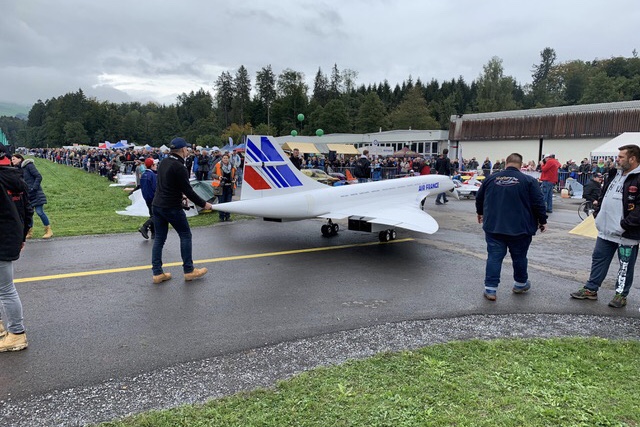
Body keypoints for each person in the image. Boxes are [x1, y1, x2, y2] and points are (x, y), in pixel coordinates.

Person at [570, 145, 640, 308]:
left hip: (627, 234)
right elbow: (603, 195)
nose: (617, 159)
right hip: (605, 230)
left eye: (621, 157)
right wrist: (598, 212)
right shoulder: (614, 174)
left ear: (633, 159)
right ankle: (591, 289)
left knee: (625, 266)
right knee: (598, 260)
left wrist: (625, 225)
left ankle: (621, 294)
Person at [475, 153, 548, 301]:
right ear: (520, 165)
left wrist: (480, 212)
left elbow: (479, 198)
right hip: (520, 227)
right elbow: (538, 203)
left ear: (506, 163)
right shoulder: (529, 181)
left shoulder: (490, 179)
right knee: (520, 257)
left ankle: (491, 289)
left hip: (495, 226)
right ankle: (520, 284)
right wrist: (542, 220)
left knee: (494, 257)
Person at [151, 138, 214, 284]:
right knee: (185, 235)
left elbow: (168, 183)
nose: (188, 151)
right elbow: (189, 190)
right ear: (183, 150)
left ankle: (157, 273)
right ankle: (189, 270)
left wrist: (180, 193)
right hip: (171, 207)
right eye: (187, 149)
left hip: (157, 205)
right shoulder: (179, 166)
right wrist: (204, 204)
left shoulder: (163, 162)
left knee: (159, 239)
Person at [0, 145, 33, 352]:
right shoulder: (16, 178)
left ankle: (17, 334)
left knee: (6, 289)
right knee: (4, 288)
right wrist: (22, 236)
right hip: (11, 237)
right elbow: (27, 211)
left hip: (3, 238)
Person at [11, 153, 53, 239]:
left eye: (14, 159)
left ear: (20, 159)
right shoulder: (17, 170)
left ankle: (48, 230)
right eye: (12, 159)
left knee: (39, 212)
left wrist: (34, 188)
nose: (12, 161)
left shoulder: (28, 166)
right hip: (27, 195)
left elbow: (38, 177)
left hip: (36, 193)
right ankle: (29, 232)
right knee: (29, 214)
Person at [212, 153, 237, 222]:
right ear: (222, 159)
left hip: (230, 186)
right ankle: (221, 217)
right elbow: (212, 174)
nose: (225, 159)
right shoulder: (217, 165)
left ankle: (228, 216)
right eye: (224, 158)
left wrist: (235, 178)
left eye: (227, 158)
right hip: (221, 187)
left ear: (228, 159)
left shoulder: (232, 165)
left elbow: (235, 174)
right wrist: (218, 177)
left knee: (228, 202)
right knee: (221, 202)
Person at [138, 158, 158, 240]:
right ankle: (145, 226)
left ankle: (153, 233)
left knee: (152, 215)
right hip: (153, 198)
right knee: (156, 215)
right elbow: (155, 187)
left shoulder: (144, 174)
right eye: (155, 164)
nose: (156, 166)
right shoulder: (152, 175)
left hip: (147, 198)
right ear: (152, 165)